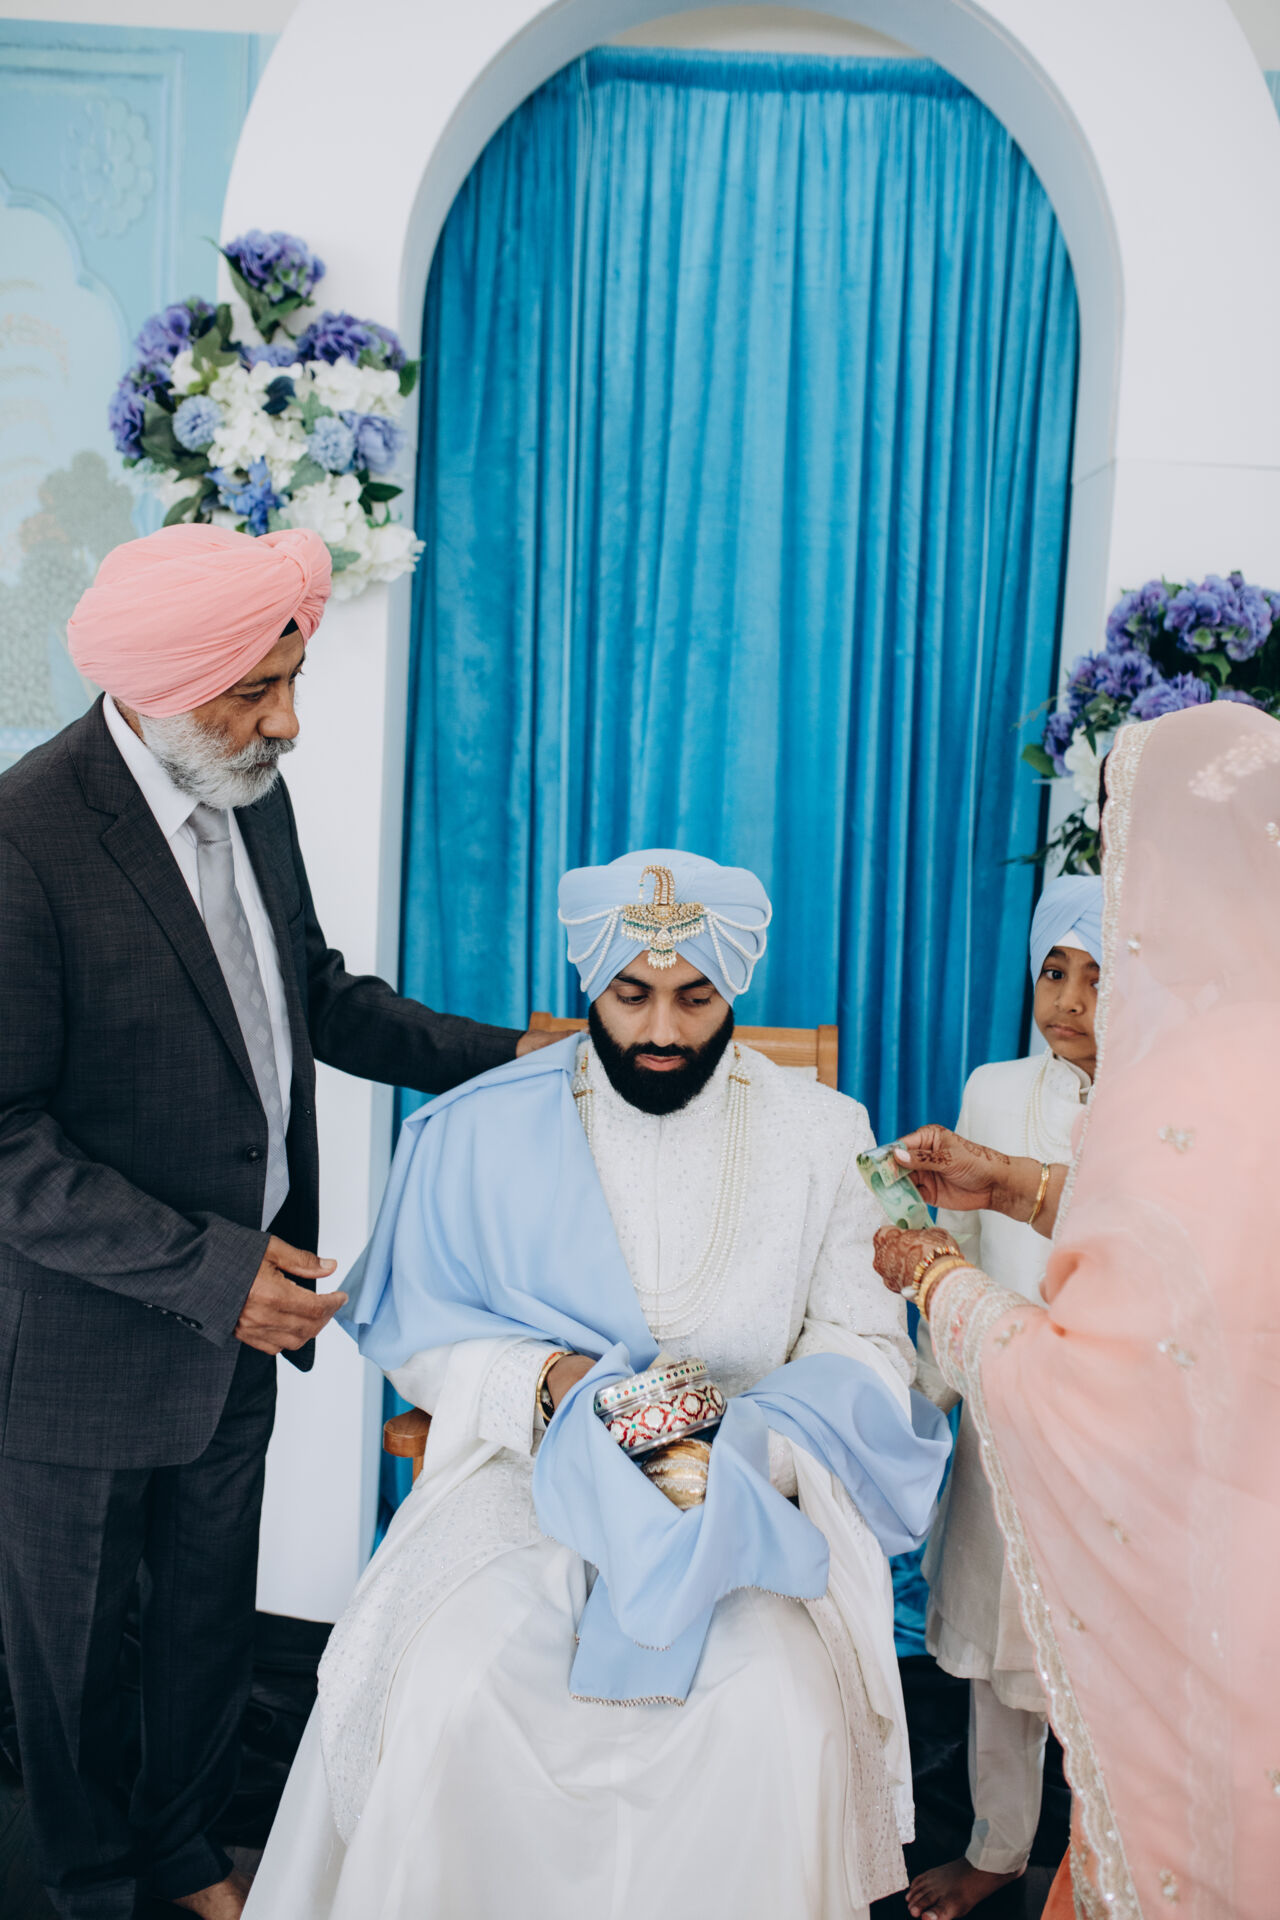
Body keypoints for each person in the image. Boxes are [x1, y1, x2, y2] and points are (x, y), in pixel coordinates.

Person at [0, 523, 554, 1920]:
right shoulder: (23, 839)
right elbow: (6, 1144)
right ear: (161, 687)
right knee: (70, 1662)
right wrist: (212, 1272)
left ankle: (187, 1855)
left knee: (205, 1628)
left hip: (238, 1332)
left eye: (290, 683)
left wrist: (510, 1056)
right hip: (84, 1351)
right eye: (257, 692)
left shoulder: (245, 789)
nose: (287, 723)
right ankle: (86, 1883)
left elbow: (314, 995)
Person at [247, 849, 952, 1920]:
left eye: (694, 997)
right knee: (452, 1696)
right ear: (591, 984)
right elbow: (419, 1328)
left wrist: (734, 1447)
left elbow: (865, 1345)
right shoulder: (486, 1125)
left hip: (737, 1502)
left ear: (733, 988)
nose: (661, 1030)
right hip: (522, 1485)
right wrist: (552, 1385)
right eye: (630, 996)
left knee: (775, 1714)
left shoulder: (822, 1134)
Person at [873, 702, 1280, 1920]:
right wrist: (1012, 1187)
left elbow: (1095, 1377)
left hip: (1181, 1535)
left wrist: (933, 1282)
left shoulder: (1175, 1081)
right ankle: (1012, 1842)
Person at [908, 874, 1102, 1920]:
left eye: (1099, 978)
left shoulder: (1169, 1113)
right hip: (1002, 1412)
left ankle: (1105, 1865)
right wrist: (919, 1395)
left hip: (1115, 1433)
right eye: (1054, 970)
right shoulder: (992, 1088)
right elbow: (966, 1245)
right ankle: (997, 1846)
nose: (1069, 999)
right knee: (997, 1652)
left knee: (1106, 1657)